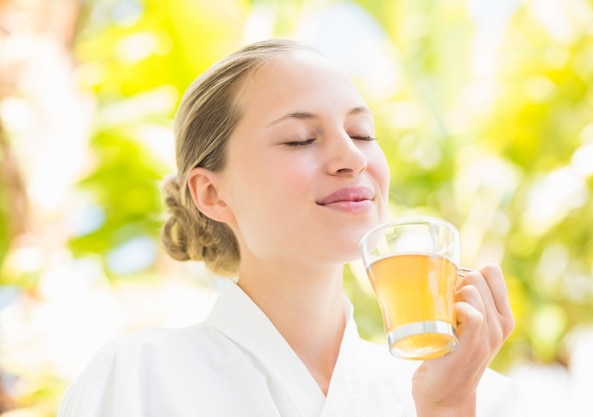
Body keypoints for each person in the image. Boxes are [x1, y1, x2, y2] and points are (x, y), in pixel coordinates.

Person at [57, 38, 524, 417]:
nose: (353, 157)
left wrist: (447, 407)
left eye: (362, 134)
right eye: (300, 138)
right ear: (212, 194)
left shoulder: (483, 399)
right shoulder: (141, 378)